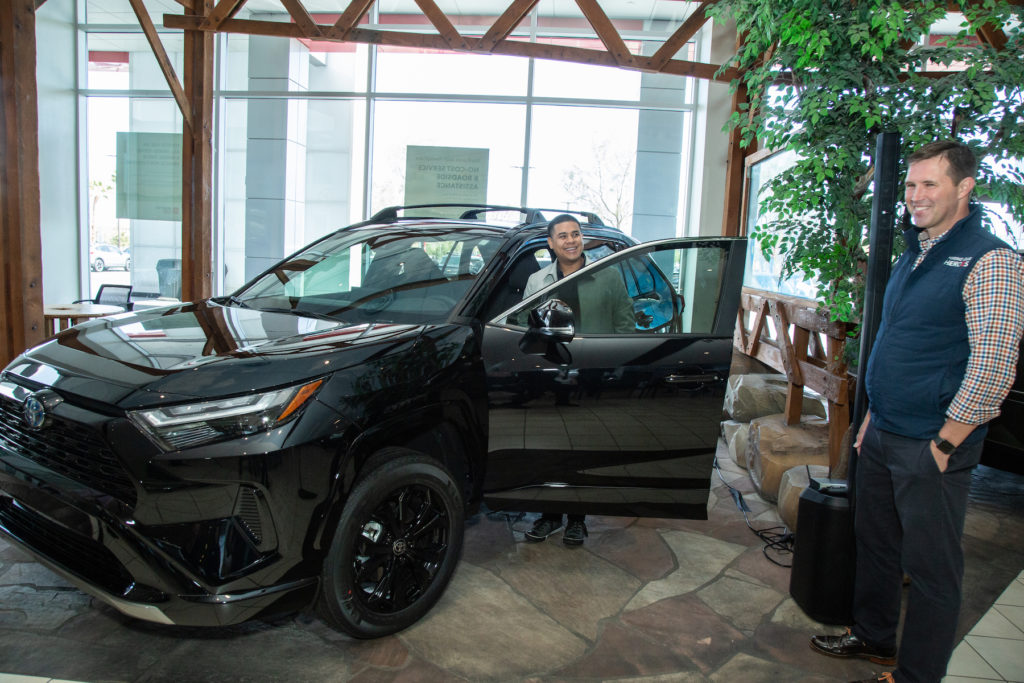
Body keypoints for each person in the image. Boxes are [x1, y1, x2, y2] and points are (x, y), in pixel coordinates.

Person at [810, 141, 1024, 683]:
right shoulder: (916, 251)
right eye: (910, 185)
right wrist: (867, 421)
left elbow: (994, 365)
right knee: (877, 544)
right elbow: (891, 342)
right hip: (883, 432)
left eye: (930, 184)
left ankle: (916, 676)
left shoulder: (992, 260)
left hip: (932, 442)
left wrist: (947, 441)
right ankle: (875, 637)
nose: (916, 195)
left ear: (965, 188)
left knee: (932, 571)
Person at [521, 213, 634, 546]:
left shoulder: (608, 277)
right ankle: (549, 516)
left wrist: (616, 372)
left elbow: (625, 328)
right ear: (551, 243)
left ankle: (577, 519)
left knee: (584, 448)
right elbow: (527, 329)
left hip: (591, 376)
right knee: (551, 448)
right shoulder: (537, 281)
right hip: (551, 376)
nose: (571, 241)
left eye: (576, 234)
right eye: (563, 236)